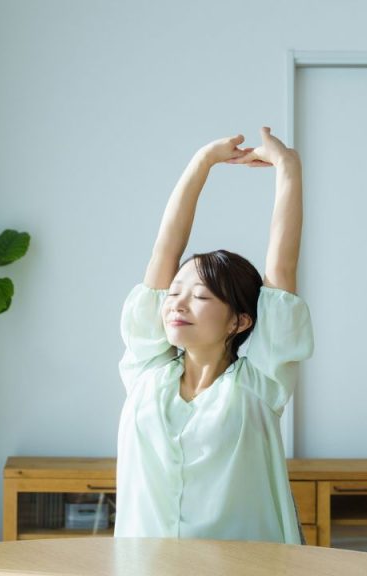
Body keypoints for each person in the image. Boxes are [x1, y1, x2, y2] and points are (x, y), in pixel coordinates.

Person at [114, 127, 314, 544]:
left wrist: (288, 168)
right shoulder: (146, 372)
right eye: (174, 292)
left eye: (200, 296)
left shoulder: (259, 384)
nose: (177, 304)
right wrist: (201, 163)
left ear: (239, 321)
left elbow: (282, 266)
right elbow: (164, 252)